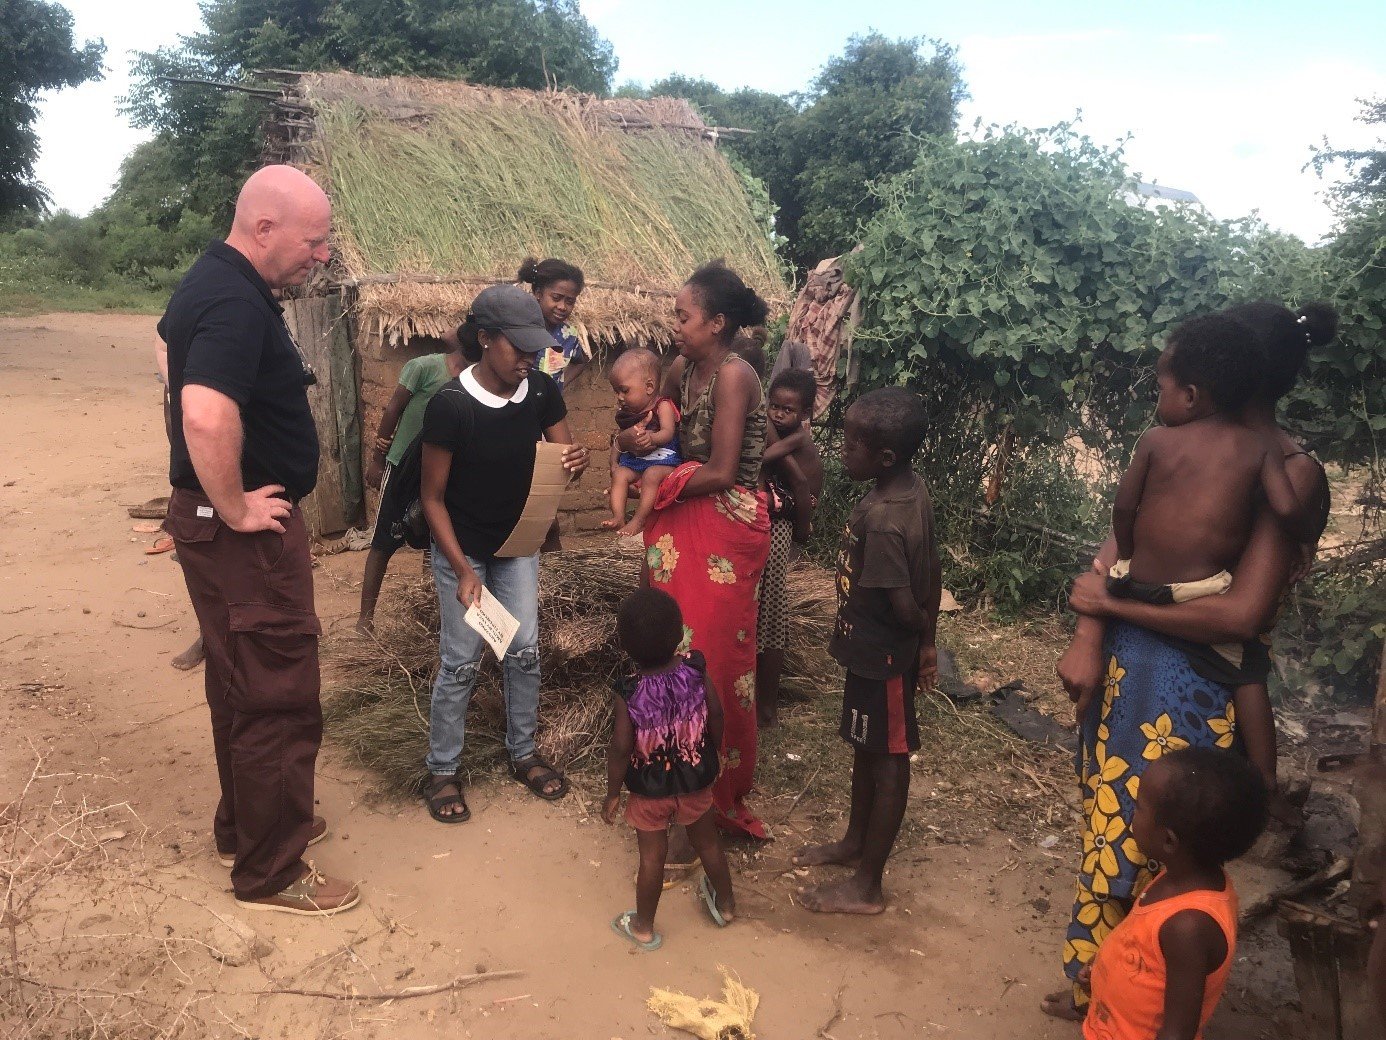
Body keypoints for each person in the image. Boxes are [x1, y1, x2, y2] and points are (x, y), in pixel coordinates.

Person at [1045, 300, 1338, 1020]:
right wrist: (1090, 631)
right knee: (1113, 820)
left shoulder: (1289, 472)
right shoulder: (1187, 441)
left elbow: (1242, 615)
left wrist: (1109, 610)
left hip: (1194, 685)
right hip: (1133, 663)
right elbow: (1125, 543)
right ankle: (1102, 979)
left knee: (1165, 834)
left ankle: (1149, 998)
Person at [160, 164, 358, 915]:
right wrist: (238, 506)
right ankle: (273, 868)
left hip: (208, 526)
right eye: (313, 241)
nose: (321, 254)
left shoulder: (214, 285)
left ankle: (247, 824)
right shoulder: (234, 302)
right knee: (276, 690)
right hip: (243, 536)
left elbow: (168, 356)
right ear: (264, 228)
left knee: (238, 677)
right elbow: (205, 415)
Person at [1107, 314, 1305, 796]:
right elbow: (1285, 508)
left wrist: (1125, 561)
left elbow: (1123, 508)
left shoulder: (1156, 442)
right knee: (1246, 670)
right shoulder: (1260, 449)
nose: (1158, 401)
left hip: (1138, 586)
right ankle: (1265, 780)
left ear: (1191, 395)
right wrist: (1302, 538)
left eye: (1160, 389)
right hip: (1199, 593)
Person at [418, 284, 590, 822]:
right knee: (462, 658)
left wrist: (573, 460)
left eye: (535, 346)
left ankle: (523, 753)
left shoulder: (539, 392)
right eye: (518, 347)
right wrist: (463, 570)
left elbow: (562, 451)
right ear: (485, 338)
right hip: (461, 549)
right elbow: (431, 498)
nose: (530, 357)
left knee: (524, 649)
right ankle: (442, 769)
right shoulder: (449, 406)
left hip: (517, 545)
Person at [618, 260, 772, 848]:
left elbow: (726, 471)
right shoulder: (682, 369)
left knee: (715, 661)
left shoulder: (736, 376)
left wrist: (663, 485)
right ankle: (671, 781)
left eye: (684, 316)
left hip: (724, 528)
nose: (675, 326)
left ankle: (716, 793)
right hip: (683, 521)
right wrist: (633, 444)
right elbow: (652, 429)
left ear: (718, 322)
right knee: (671, 651)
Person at [793, 387, 941, 915]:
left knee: (888, 759)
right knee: (865, 745)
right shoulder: (906, 492)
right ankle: (856, 842)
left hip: (884, 661)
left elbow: (904, 603)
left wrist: (919, 634)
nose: (842, 451)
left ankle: (868, 885)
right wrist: (928, 641)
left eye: (852, 444)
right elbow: (935, 565)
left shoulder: (883, 521)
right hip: (869, 653)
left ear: (884, 456)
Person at [1080, 747, 1267, 1040]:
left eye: (1139, 807)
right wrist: (1103, 968)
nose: (1132, 813)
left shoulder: (1188, 926)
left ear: (1168, 840)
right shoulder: (1180, 878)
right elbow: (1145, 948)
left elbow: (1177, 1033)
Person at [602, 588, 735, 950]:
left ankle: (643, 927)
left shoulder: (629, 692)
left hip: (649, 790)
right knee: (707, 842)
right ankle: (725, 905)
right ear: (680, 634)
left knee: (651, 857)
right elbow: (718, 713)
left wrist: (613, 793)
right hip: (695, 779)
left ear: (626, 646)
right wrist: (716, 752)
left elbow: (620, 747)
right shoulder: (695, 671)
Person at [355, 340, 465, 634]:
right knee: (383, 542)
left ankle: (430, 614)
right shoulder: (424, 368)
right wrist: (378, 460)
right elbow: (393, 409)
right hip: (404, 467)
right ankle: (365, 620)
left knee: (436, 543)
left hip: (442, 471)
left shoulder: (474, 381)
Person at [756, 367, 822, 727]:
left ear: (805, 414)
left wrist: (804, 527)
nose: (779, 415)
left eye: (788, 410)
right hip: (788, 504)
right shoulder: (785, 429)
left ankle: (766, 707)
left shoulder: (797, 438)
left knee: (771, 612)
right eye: (774, 407)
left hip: (797, 508)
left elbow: (787, 475)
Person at [153, 332, 205, 671]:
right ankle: (209, 635)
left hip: (241, 479)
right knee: (197, 559)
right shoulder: (194, 299)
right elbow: (161, 340)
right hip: (194, 481)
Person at [601, 348, 682, 537]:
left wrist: (652, 437)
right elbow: (620, 441)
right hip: (637, 462)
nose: (619, 397)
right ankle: (618, 517)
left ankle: (639, 520)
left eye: (624, 390)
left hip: (664, 460)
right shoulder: (628, 414)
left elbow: (668, 432)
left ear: (649, 387)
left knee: (652, 475)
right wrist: (614, 463)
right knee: (620, 474)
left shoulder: (662, 406)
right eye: (616, 391)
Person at [521, 257, 588, 392]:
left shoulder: (568, 335)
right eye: (556, 298)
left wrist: (558, 386)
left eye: (570, 301)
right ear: (538, 293)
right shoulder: (520, 330)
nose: (562, 307)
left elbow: (579, 362)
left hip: (548, 409)